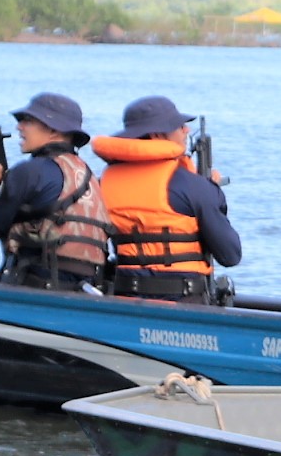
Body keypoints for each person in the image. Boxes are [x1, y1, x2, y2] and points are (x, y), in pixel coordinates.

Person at [90, 95, 244, 302]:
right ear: (156, 134)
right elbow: (230, 255)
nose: (186, 130)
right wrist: (213, 193)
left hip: (125, 297)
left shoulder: (103, 183)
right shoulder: (193, 186)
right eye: (179, 126)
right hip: (183, 301)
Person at [0, 91, 110, 289]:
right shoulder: (88, 174)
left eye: (27, 121)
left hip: (36, 284)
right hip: (84, 286)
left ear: (54, 130)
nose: (19, 127)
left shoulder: (31, 171)